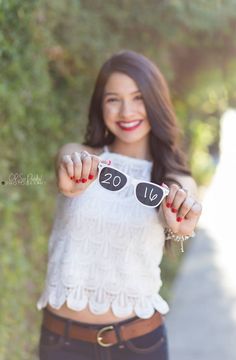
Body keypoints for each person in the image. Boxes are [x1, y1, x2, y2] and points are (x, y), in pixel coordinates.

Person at [37, 50, 202, 360]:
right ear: (101, 106)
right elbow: (67, 161)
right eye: (113, 99)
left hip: (139, 344)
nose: (127, 111)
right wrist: (69, 171)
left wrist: (181, 222)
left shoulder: (173, 178)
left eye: (138, 97)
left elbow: (185, 198)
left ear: (156, 101)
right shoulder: (79, 155)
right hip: (62, 344)